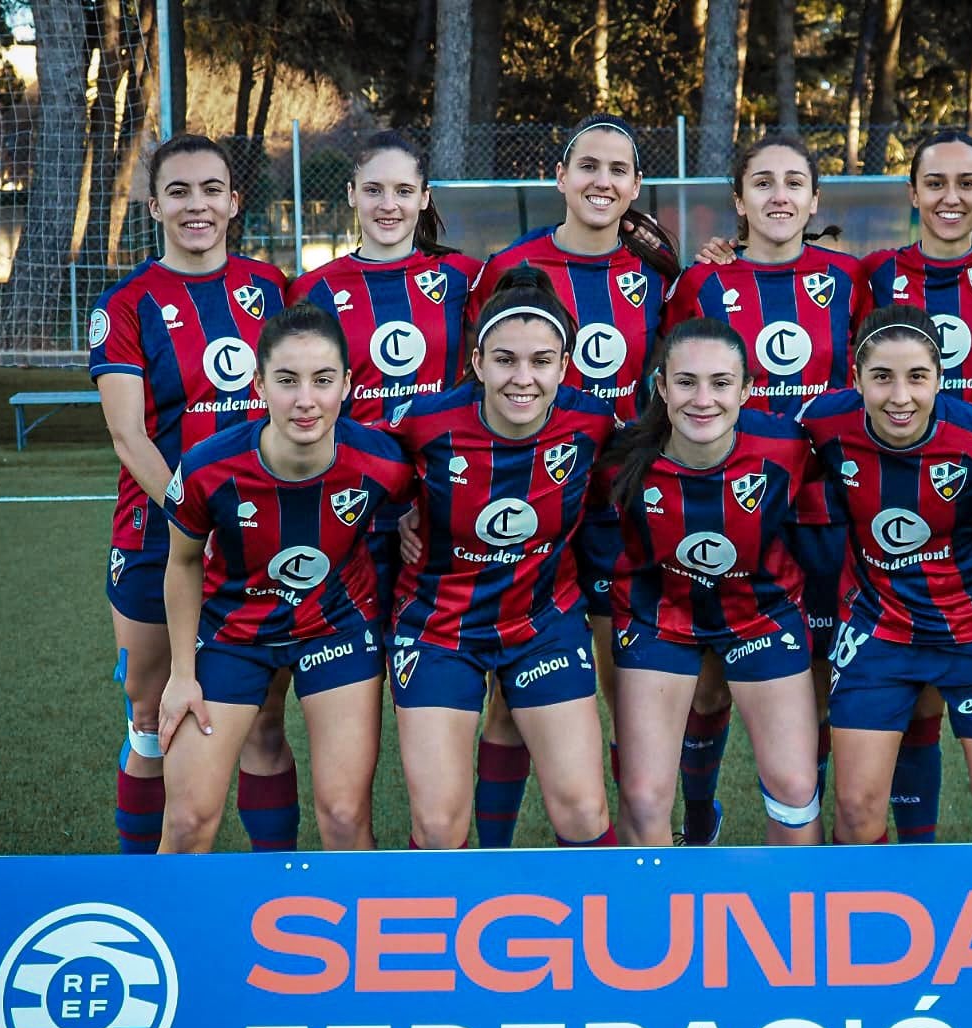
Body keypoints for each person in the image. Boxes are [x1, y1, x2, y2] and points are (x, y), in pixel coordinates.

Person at [462, 113, 680, 847]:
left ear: (636, 186)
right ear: (560, 176)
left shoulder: (657, 270)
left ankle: (625, 843)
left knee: (625, 676)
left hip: (621, 502)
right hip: (527, 501)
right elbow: (478, 377)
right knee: (509, 692)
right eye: (587, 166)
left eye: (618, 170)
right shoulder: (512, 267)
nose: (602, 181)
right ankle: (494, 852)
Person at [91, 133, 299, 855]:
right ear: (154, 205)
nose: (196, 205)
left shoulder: (272, 289)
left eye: (211, 189)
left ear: (234, 202)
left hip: (265, 542)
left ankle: (275, 887)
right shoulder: (127, 303)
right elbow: (129, 438)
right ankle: (142, 892)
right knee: (150, 715)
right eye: (178, 191)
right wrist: (197, 518)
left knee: (263, 721)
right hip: (156, 537)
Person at [662, 133, 868, 845]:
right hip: (719, 512)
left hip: (823, 513)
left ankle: (810, 816)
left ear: (815, 200)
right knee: (712, 677)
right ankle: (697, 813)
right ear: (739, 199)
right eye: (762, 183)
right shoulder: (702, 283)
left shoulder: (850, 279)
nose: (779, 195)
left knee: (818, 678)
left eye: (793, 182)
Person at [157, 304, 415, 852]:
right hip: (234, 634)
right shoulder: (207, 467)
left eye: (323, 381)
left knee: (344, 818)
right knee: (187, 824)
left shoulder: (384, 462)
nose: (305, 400)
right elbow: (181, 563)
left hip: (336, 629)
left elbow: (433, 498)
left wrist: (418, 516)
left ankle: (350, 933)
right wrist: (182, 674)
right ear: (258, 384)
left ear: (347, 384)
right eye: (286, 381)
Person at [386, 266, 618, 850]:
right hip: (438, 628)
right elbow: (353, 459)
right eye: (505, 360)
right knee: (439, 829)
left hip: (542, 622)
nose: (523, 378)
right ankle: (446, 931)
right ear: (477, 362)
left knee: (585, 812)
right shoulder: (425, 422)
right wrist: (392, 512)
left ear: (564, 367)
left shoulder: (592, 422)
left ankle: (603, 935)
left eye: (541, 362)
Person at [800, 306, 972, 844]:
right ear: (856, 379)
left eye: (917, 377)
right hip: (878, 630)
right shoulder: (825, 426)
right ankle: (871, 921)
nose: (900, 396)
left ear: (940, 378)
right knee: (856, 812)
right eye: (882, 377)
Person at [602, 319, 822, 846]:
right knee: (645, 801)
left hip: (760, 613)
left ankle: (791, 915)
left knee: (795, 786)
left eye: (722, 383)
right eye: (686, 382)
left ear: (747, 390)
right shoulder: (620, 456)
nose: (703, 399)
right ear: (660, 387)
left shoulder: (789, 446)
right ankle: (657, 919)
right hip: (657, 616)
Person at [288, 131, 482, 622]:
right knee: (353, 665)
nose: (388, 204)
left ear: (424, 197)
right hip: (348, 505)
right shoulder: (313, 290)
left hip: (443, 503)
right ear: (352, 195)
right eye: (373, 190)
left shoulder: (467, 277)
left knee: (448, 663)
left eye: (402, 190)